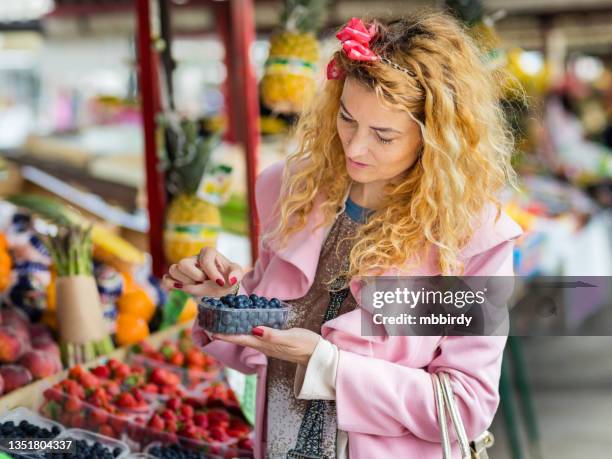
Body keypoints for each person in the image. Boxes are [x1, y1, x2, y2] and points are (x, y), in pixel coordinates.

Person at [163, 11, 522, 459]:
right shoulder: (289, 190)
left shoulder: (467, 238)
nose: (355, 147)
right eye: (348, 118)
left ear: (436, 137)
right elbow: (261, 349)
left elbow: (462, 407)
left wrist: (329, 367)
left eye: (384, 136)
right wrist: (225, 298)